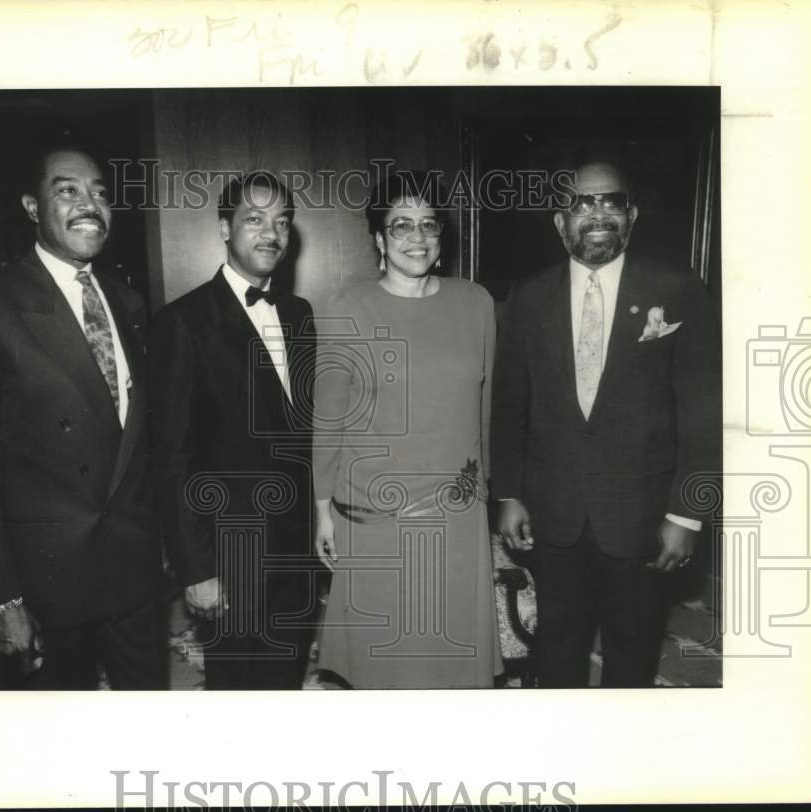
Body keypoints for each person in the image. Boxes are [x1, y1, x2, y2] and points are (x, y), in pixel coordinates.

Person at [0, 145, 167, 689]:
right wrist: (0, 600)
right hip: (44, 584)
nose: (90, 205)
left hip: (133, 575)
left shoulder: (129, 303)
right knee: (54, 744)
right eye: (68, 191)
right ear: (32, 207)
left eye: (101, 194)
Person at [491, 161, 721, 688]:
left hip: (645, 522)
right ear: (559, 222)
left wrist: (688, 514)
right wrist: (507, 492)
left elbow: (705, 416)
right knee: (557, 657)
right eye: (581, 203)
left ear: (631, 215)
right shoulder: (528, 297)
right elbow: (509, 407)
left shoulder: (678, 288)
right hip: (554, 521)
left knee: (633, 663)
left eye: (610, 201)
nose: (596, 214)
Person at [312, 172, 502, 689]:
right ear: (378, 239)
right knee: (388, 664)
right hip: (378, 518)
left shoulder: (477, 302)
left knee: (452, 663)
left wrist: (486, 492)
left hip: (459, 511)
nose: (417, 237)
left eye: (428, 224)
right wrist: (321, 509)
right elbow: (328, 420)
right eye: (400, 226)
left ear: (441, 237)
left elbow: (484, 409)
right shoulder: (347, 308)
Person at [149, 171, 317, 690]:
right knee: (238, 690)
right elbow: (171, 456)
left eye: (281, 222)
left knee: (285, 678)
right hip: (229, 549)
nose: (271, 233)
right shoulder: (182, 322)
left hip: (296, 544)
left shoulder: (299, 313)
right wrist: (196, 568)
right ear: (225, 229)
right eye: (254, 219)